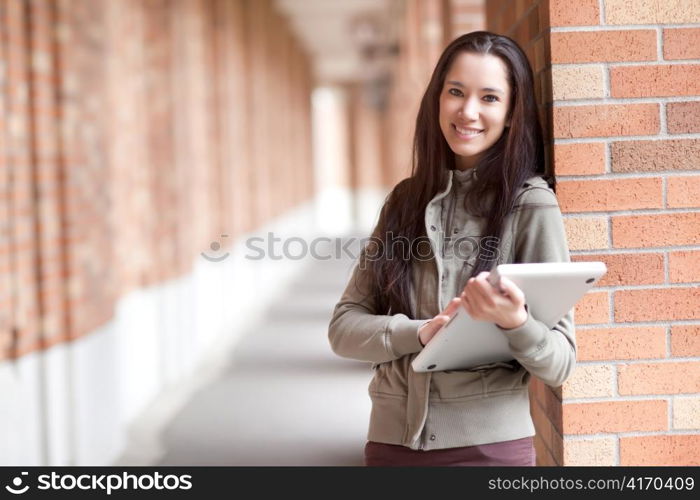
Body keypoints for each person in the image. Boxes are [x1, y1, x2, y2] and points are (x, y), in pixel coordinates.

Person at [328, 31, 576, 466]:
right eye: (456, 92)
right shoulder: (404, 202)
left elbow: (560, 363)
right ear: (437, 99)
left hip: (489, 453)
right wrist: (420, 332)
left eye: (490, 98)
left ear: (513, 112)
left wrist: (516, 321)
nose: (468, 111)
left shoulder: (530, 203)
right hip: (391, 447)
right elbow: (344, 328)